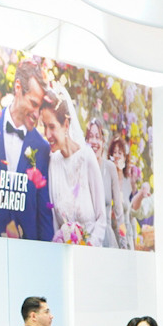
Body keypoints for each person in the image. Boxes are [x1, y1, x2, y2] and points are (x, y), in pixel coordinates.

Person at [0, 59, 54, 241]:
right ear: (18, 87)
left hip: (26, 249)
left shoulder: (42, 148)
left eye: (40, 107)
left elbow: (44, 215)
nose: (37, 114)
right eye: (33, 104)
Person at [39, 90, 108, 245]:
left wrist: (89, 246)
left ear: (66, 124)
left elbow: (101, 219)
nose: (47, 134)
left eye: (52, 126)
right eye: (44, 126)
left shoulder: (87, 157)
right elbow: (55, 223)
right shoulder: (53, 163)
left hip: (92, 251)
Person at [88, 118, 130, 249]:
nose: (94, 141)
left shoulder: (110, 168)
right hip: (87, 238)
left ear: (103, 141)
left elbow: (119, 213)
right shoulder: (82, 168)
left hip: (107, 239)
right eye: (90, 137)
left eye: (98, 137)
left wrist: (123, 243)